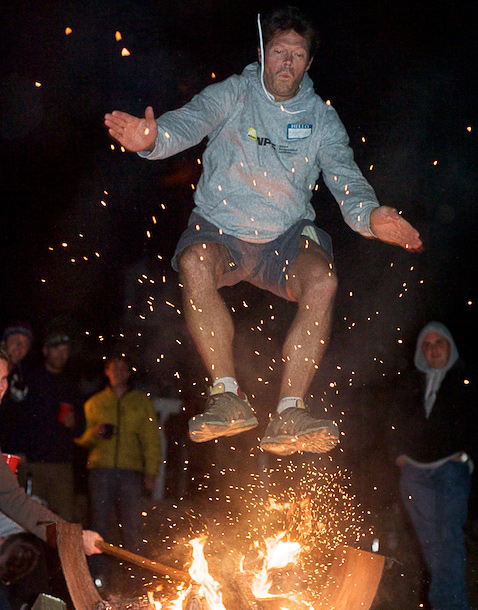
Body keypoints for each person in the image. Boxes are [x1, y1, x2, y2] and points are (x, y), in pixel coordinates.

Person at [105, 5, 422, 456]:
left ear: (309, 63)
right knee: (194, 262)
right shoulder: (234, 94)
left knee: (324, 279)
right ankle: (228, 398)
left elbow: (345, 180)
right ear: (262, 52)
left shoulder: (320, 118)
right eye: (279, 52)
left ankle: (290, 411)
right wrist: (152, 140)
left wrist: (370, 217)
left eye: (297, 54)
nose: (287, 63)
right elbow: (186, 122)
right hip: (222, 226)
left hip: (286, 236)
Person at [0, 347, 103, 610]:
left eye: (3, 379)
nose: (1, 387)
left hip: (52, 468)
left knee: (25, 535)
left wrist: (73, 536)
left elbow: (14, 501)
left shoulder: (68, 387)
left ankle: (27, 609)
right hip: (34, 466)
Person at [389, 322, 477, 610]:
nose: (433, 348)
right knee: (428, 539)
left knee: (448, 534)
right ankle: (439, 606)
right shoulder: (411, 383)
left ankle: (455, 607)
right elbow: (393, 419)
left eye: (440, 342)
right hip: (414, 470)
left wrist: (467, 454)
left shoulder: (465, 380)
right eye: (427, 344)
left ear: (450, 346)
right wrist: (398, 453)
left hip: (449, 467)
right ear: (421, 351)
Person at [76, 354, 161, 575]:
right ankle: (97, 578)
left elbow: (152, 439)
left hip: (130, 473)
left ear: (129, 372)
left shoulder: (141, 402)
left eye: (123, 368)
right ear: (107, 371)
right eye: (114, 368)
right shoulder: (94, 402)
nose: (118, 372)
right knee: (99, 525)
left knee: (132, 527)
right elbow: (81, 439)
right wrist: (94, 434)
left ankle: (135, 578)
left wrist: (151, 471)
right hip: (101, 471)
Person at [21, 333, 85, 521]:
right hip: (32, 462)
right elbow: (16, 419)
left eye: (65, 351)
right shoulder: (30, 380)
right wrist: (20, 451)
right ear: (45, 351)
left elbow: (81, 428)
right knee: (28, 519)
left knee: (63, 522)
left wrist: (74, 424)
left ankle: (59, 552)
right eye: (57, 350)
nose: (61, 355)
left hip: (61, 466)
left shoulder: (71, 386)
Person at [0, 322, 33, 457]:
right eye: (15, 341)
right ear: (3, 343)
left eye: (25, 343)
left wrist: (21, 449)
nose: (19, 347)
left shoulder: (25, 377)